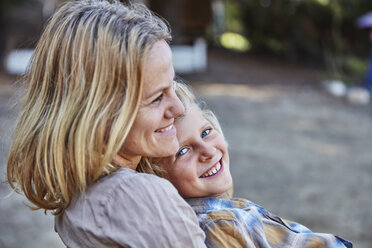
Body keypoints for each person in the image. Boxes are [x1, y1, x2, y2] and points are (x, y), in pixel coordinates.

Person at [6, 0, 206, 247]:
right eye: (156, 98)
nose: (179, 108)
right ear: (99, 113)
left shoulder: (80, 195)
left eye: (173, 86)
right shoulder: (142, 199)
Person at [141, 83, 353, 248]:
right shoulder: (216, 226)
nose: (208, 151)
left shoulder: (222, 213)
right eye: (183, 151)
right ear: (158, 177)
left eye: (206, 132)